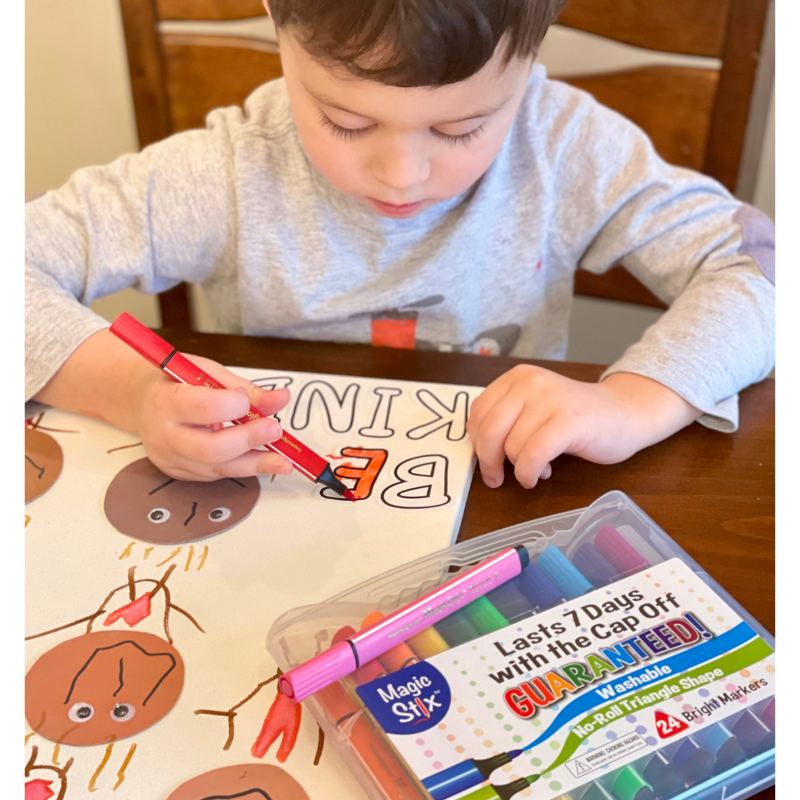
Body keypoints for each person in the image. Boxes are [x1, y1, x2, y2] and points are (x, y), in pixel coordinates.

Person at [25, 0, 775, 489]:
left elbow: (764, 267)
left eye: (461, 129)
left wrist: (633, 402)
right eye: (346, 122)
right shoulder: (229, 170)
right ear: (277, 31)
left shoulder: (565, 145)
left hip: (495, 512)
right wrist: (132, 392)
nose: (402, 174)